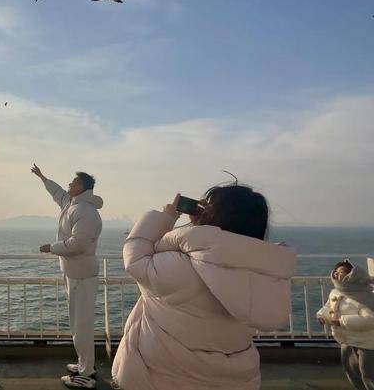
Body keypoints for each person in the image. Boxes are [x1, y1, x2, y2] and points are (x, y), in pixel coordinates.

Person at [112, 185, 296, 390]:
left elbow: (136, 258)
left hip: (163, 376)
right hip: (234, 380)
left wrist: (166, 216)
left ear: (212, 217)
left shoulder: (181, 267)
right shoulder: (265, 276)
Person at [31, 164, 103, 389]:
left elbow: (78, 244)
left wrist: (51, 247)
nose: (69, 184)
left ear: (82, 187)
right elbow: (57, 192)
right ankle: (84, 365)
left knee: (81, 326)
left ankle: (87, 375)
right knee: (77, 324)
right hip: (75, 273)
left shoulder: (86, 211)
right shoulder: (72, 204)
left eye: (74, 182)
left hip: (82, 276)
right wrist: (42, 177)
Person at [317, 260, 374, 390]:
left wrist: (342, 321)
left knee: (369, 375)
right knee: (352, 373)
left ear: (351, 275)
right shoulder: (336, 292)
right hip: (346, 341)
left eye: (340, 272)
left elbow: (370, 319)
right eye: (335, 272)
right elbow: (329, 307)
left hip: (367, 344)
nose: (336, 274)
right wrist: (321, 316)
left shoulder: (364, 295)